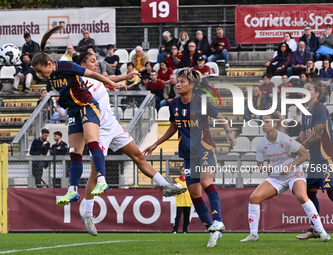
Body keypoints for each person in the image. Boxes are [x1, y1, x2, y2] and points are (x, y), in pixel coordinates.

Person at [75, 52, 186, 236]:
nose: (96, 64)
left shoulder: (97, 78)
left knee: (138, 156)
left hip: (113, 125)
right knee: (95, 174)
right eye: (92, 61)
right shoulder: (77, 81)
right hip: (98, 130)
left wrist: (124, 77)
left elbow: (107, 78)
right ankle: (87, 214)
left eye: (96, 61)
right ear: (82, 64)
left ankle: (165, 186)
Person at [31, 25, 126, 205]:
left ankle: (102, 180)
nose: (39, 75)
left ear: (49, 64)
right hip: (74, 111)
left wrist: (116, 84)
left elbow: (93, 74)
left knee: (92, 141)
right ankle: (72, 190)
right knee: (75, 152)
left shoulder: (67, 66)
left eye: (40, 71)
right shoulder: (50, 77)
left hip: (88, 105)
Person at [143, 68, 236, 248]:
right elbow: (173, 127)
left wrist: (229, 133)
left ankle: (218, 220)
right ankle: (212, 229)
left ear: (192, 85)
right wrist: (156, 143)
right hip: (187, 154)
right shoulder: (173, 104)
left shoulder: (201, 102)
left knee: (206, 182)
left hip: (205, 149)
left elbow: (222, 118)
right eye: (177, 81)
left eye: (182, 81)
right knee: (194, 194)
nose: (178, 84)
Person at [240, 113, 330, 242]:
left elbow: (305, 155)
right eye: (263, 122)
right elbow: (260, 166)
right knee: (254, 198)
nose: (263, 125)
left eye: (266, 122)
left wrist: (290, 166)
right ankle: (253, 235)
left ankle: (322, 232)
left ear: (275, 123)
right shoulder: (261, 144)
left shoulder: (286, 140)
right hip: (277, 178)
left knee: (302, 197)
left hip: (294, 174)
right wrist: (267, 168)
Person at [296, 83, 333, 240]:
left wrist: (301, 146)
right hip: (315, 160)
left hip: (327, 157)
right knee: (309, 192)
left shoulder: (320, 107)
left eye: (308, 89)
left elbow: (318, 133)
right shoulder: (305, 112)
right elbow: (302, 136)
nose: (304, 91)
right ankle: (315, 228)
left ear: (316, 94)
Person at [172, 166, 192, 234]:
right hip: (180, 201)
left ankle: (185, 230)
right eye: (182, 170)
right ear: (180, 171)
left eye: (185, 170)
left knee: (186, 217)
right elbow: (173, 189)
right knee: (178, 217)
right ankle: (175, 230)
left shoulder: (190, 180)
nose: (184, 172)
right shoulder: (177, 180)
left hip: (188, 201)